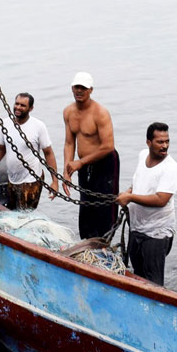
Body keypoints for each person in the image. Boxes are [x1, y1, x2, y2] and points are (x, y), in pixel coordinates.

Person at [117, 123, 177, 286]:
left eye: (167, 141)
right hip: (136, 228)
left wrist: (130, 197)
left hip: (157, 233)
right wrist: (127, 192)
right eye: (160, 142)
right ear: (148, 142)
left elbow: (161, 200)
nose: (165, 146)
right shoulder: (142, 155)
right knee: (138, 275)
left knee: (154, 282)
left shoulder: (171, 168)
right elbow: (138, 182)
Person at [62, 72, 118, 239]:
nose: (79, 91)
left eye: (83, 88)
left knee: (104, 206)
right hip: (83, 165)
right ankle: (87, 241)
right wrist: (67, 170)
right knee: (85, 203)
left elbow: (108, 146)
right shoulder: (68, 112)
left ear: (91, 90)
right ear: (72, 88)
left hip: (105, 162)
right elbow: (69, 143)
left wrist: (80, 163)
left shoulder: (100, 113)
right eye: (77, 87)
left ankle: (104, 242)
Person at [3, 92, 59, 210]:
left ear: (31, 108)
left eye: (23, 105)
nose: (18, 107)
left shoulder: (38, 126)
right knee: (12, 212)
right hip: (12, 179)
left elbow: (48, 153)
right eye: (16, 103)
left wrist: (55, 182)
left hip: (31, 181)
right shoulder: (6, 123)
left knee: (25, 215)